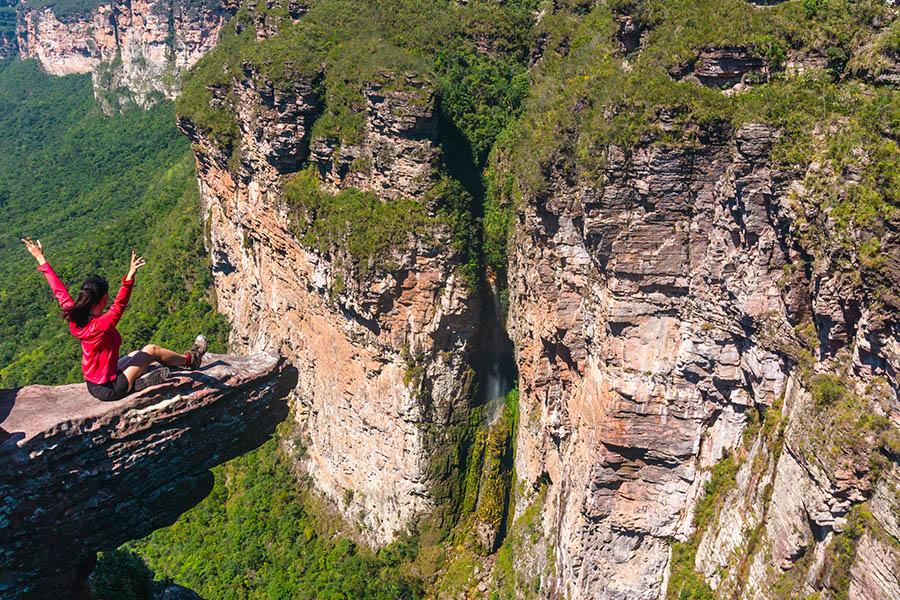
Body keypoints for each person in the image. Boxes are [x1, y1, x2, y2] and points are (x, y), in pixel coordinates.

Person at [22, 237, 207, 401]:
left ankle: (137, 382)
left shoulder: (74, 315)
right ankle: (191, 360)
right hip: (110, 388)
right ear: (103, 299)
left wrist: (40, 258)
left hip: (95, 383)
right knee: (151, 350)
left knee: (137, 353)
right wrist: (130, 276)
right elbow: (120, 304)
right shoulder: (102, 324)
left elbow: (59, 291)